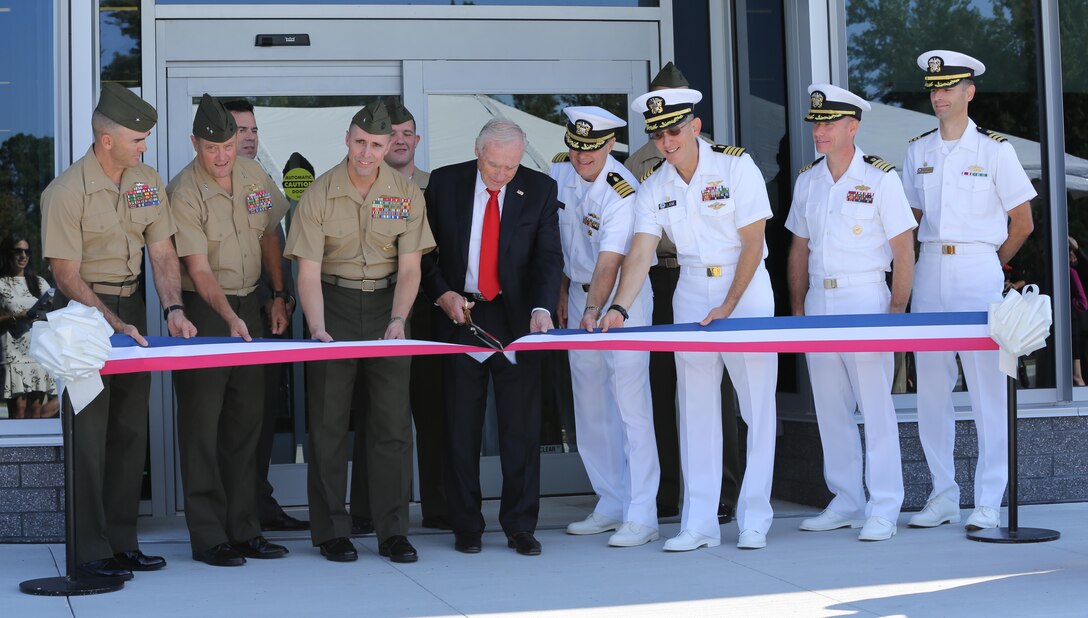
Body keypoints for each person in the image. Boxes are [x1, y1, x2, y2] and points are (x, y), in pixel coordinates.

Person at [600, 87, 778, 551]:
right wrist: (619, 307)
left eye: (674, 130)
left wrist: (729, 304)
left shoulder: (736, 166)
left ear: (695, 127)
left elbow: (754, 243)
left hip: (746, 286)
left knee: (756, 407)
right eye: (657, 134)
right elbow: (640, 253)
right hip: (692, 289)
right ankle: (698, 523)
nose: (666, 140)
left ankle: (754, 517)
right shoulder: (656, 184)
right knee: (694, 407)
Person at [41, 83, 197, 580]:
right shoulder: (66, 192)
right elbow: (66, 274)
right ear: (106, 140)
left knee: (131, 429)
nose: (144, 146)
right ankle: (89, 549)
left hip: (134, 308)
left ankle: (122, 541)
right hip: (85, 316)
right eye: (137, 138)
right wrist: (114, 322)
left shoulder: (144, 179)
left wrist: (172, 305)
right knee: (90, 434)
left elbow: (163, 250)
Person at [284, 101, 434, 564]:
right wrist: (317, 326)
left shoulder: (407, 193)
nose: (367, 153)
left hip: (390, 305)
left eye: (377, 144)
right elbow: (307, 272)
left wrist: (398, 319)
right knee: (329, 422)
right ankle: (332, 530)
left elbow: (410, 268)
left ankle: (393, 531)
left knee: (391, 423)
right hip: (334, 303)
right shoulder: (319, 193)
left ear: (391, 145)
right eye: (360, 142)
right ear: (347, 139)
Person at [904, 50, 1036, 531]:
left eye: (948, 88)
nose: (939, 95)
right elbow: (910, 221)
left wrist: (992, 263)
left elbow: (1022, 222)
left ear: (969, 92)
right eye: (934, 88)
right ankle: (942, 493)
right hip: (930, 269)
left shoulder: (995, 151)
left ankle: (988, 498)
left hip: (979, 268)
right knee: (932, 391)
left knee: (987, 390)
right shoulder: (917, 150)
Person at [421, 119, 562, 556]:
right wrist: (442, 293)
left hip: (516, 318)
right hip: (461, 314)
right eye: (495, 165)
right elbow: (423, 251)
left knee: (520, 430)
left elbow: (547, 256)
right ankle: (466, 525)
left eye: (511, 166)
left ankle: (520, 525)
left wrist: (542, 309)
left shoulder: (538, 188)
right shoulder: (445, 183)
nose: (503, 174)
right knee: (461, 426)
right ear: (478, 152)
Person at [785, 84, 916, 542]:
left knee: (876, 408)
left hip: (866, 298)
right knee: (830, 408)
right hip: (820, 301)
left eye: (828, 123)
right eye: (816, 123)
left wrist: (896, 311)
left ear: (852, 126)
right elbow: (799, 248)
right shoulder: (808, 180)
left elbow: (904, 250)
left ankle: (884, 504)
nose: (818, 131)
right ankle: (846, 498)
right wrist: (798, 306)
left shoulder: (881, 178)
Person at [166, 94, 291, 566]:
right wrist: (231, 318)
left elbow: (268, 234)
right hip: (205, 309)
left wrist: (277, 295)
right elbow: (197, 271)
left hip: (250, 301)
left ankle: (245, 529)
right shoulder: (184, 191)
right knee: (203, 426)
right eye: (212, 147)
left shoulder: (252, 173)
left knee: (246, 422)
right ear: (194, 142)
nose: (222, 156)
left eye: (229, 144)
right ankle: (209, 536)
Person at [625, 62, 741, 524]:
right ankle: (669, 492)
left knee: (720, 389)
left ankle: (724, 492)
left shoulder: (721, 157)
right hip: (658, 278)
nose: (665, 126)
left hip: (710, 278)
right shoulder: (638, 163)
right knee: (663, 385)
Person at [550, 106, 659, 547]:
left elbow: (612, 260)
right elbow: (554, 239)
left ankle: (642, 512)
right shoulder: (560, 173)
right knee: (590, 404)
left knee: (630, 404)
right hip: (578, 296)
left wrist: (593, 309)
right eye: (575, 148)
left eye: (591, 150)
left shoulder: (622, 189)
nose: (581, 158)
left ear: (610, 145)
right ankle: (610, 501)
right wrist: (562, 293)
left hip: (622, 300)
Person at [351, 101, 449, 534]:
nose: (401, 140)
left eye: (409, 133)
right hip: (372, 308)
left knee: (432, 409)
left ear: (415, 140)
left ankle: (439, 506)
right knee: (374, 411)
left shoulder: (438, 186)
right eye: (394, 133)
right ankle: (368, 511)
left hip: (426, 310)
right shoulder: (361, 183)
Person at [222, 98, 308, 533]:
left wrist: (282, 295)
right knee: (228, 417)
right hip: (220, 308)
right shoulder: (200, 183)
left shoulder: (260, 179)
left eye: (253, 130)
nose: (250, 138)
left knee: (262, 410)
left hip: (264, 306)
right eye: (240, 130)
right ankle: (230, 511)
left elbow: (274, 237)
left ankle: (258, 501)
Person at [0, 233, 57, 419]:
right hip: (13, 353)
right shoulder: (1, 284)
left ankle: (37, 449)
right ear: (8, 254)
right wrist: (16, 316)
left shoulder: (39, 282)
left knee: (36, 411)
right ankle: (17, 449)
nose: (23, 256)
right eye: (18, 251)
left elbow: (55, 313)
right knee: (19, 411)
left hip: (38, 351)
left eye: (26, 251)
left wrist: (48, 310)